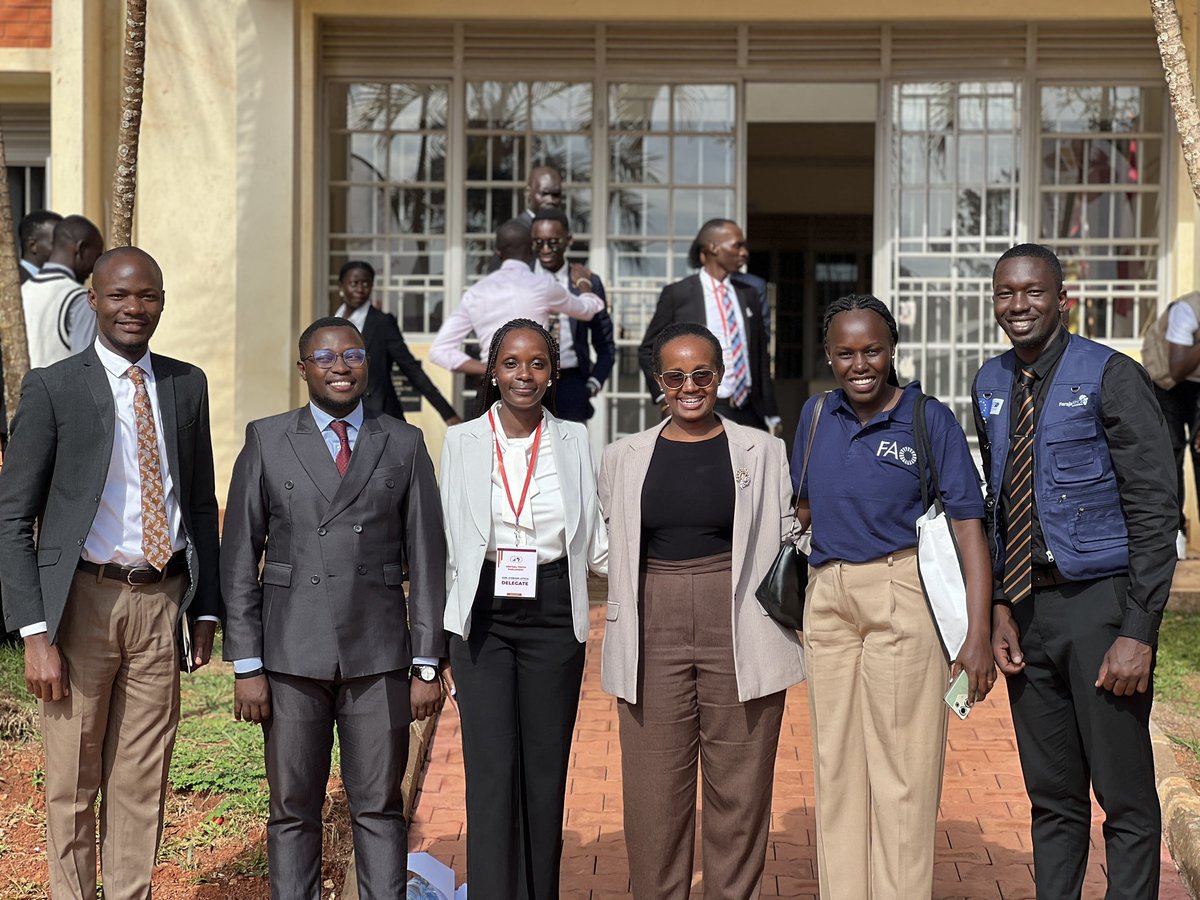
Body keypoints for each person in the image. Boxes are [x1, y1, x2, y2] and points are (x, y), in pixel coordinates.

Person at [0, 246, 221, 899]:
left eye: (146, 295)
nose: (134, 308)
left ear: (160, 300)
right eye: (120, 295)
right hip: (80, 607)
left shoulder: (187, 384)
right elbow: (13, 519)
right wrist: (34, 632)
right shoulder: (54, 387)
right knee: (71, 779)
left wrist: (205, 606)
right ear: (93, 300)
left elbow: (201, 500)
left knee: (141, 778)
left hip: (161, 602)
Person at [221, 316, 447, 899]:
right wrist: (246, 664)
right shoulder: (267, 438)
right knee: (293, 808)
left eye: (352, 355)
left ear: (368, 363)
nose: (340, 368)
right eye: (325, 358)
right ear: (303, 370)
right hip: (291, 655)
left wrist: (426, 662)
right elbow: (241, 558)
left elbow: (426, 559)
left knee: (378, 806)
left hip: (378, 658)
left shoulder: (402, 441)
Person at [975, 244, 1176, 899]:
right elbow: (1001, 502)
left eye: (1033, 292)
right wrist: (1002, 606)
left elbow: (1153, 505)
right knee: (1052, 797)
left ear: (1063, 299)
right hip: (1030, 614)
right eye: (1006, 293)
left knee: (1124, 800)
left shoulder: (1111, 375)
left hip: (1103, 609)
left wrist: (1139, 629)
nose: (1018, 305)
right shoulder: (990, 383)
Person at [794, 294, 994, 898]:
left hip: (900, 591)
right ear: (828, 356)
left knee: (903, 771)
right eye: (846, 352)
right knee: (836, 766)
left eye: (873, 350)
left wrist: (977, 634)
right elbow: (802, 505)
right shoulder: (815, 414)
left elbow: (968, 528)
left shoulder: (927, 419)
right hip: (826, 599)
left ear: (892, 350)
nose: (861, 364)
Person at [598, 321, 804, 899]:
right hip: (651, 620)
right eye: (675, 375)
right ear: (658, 382)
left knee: (740, 786)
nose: (689, 385)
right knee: (652, 790)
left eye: (702, 373)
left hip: (742, 620)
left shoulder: (762, 450)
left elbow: (791, 534)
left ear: (721, 376)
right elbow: (603, 543)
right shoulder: (623, 455)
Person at [439, 317, 606, 899]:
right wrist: (436, 644)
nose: (524, 375)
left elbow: (598, 538)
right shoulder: (459, 441)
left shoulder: (577, 439)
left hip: (554, 610)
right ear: (492, 371)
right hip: (483, 615)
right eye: (511, 363)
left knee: (543, 770)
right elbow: (444, 543)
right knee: (490, 771)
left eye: (537, 363)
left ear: (553, 372)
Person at [638, 219, 779, 431]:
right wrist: (664, 399)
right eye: (737, 245)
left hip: (750, 411)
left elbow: (759, 356)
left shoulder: (748, 294)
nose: (744, 252)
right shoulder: (679, 294)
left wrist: (771, 413)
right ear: (712, 247)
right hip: (704, 407)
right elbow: (648, 349)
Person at [428, 218, 604, 376]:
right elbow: (587, 310)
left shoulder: (475, 293)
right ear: (532, 249)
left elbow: (439, 351)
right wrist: (583, 282)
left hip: (492, 388)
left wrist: (490, 369)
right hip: (531, 386)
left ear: (498, 252)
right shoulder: (544, 286)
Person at [334, 260, 462, 425]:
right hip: (340, 413)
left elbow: (410, 368)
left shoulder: (382, 322)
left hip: (379, 414)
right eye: (354, 283)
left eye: (366, 284)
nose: (360, 289)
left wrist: (447, 413)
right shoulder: (330, 324)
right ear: (341, 286)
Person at [531, 209, 615, 421]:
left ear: (568, 240)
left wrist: (593, 383)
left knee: (568, 451)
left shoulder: (588, 282)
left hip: (571, 381)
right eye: (539, 242)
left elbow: (604, 342)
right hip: (527, 379)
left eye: (553, 242)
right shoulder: (522, 279)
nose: (546, 249)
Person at [1141, 290, 1200, 557]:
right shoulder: (1187, 310)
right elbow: (1177, 369)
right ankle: (1175, 534)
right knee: (1171, 456)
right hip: (1169, 386)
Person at [21, 214, 104, 367]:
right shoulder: (79, 299)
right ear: (81, 248)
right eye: (97, 255)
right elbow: (86, 369)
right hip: (60, 390)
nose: (96, 265)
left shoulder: (22, 291)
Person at [486, 166, 565, 273]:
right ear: (528, 193)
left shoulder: (562, 227)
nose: (550, 200)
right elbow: (497, 274)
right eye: (544, 194)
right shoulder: (514, 231)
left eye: (556, 195)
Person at [17, 208, 62, 283]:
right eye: (57, 244)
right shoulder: (12, 283)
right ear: (33, 245)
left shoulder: (59, 280)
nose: (63, 251)